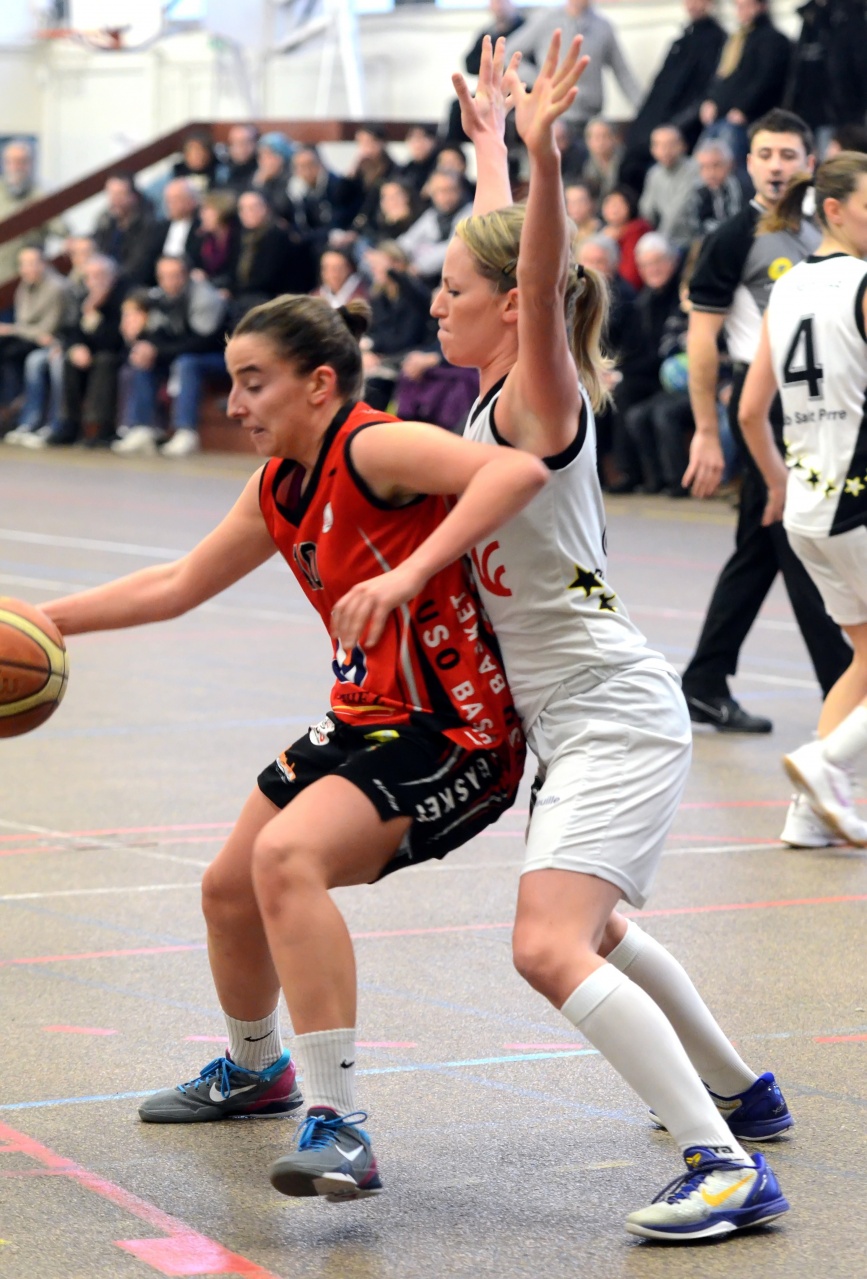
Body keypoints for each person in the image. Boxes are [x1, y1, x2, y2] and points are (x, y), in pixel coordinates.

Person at [43, 295, 546, 1200]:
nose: (234, 403)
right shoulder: (279, 481)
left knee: (286, 859)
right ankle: (255, 1070)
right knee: (228, 888)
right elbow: (178, 582)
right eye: (233, 383)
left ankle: (340, 1124)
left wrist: (409, 572)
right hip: (364, 717)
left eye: (252, 382)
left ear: (318, 383)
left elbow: (516, 471)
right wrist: (42, 620)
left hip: (454, 728)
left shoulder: (374, 446)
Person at [432, 31, 791, 1241]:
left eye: (451, 290)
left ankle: (725, 1165)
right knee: (599, 928)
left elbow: (530, 275)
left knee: (547, 945)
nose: (435, 301)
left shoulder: (540, 396)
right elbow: (506, 261)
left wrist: (541, 161)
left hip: (613, 714)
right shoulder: (501, 395)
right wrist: (491, 146)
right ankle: (743, 1093)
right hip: (582, 715)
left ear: (509, 309)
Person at [680, 109, 852, 763]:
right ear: (747, 164)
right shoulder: (731, 238)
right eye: (764, 154)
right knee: (799, 542)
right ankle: (843, 694)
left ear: (810, 163)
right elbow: (703, 339)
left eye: (787, 154)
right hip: (768, 407)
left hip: (826, 400)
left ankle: (704, 680)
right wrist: (705, 429)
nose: (776, 166)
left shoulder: (830, 229)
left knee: (762, 544)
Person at [739, 152, 867, 847]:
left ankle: (807, 814)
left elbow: (748, 409)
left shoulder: (785, 288)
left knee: (862, 657)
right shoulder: (861, 283)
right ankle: (827, 763)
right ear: (835, 210)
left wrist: (777, 478)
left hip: (808, 508)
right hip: (857, 498)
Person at [112, 255, 227, 458]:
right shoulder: (158, 298)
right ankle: (142, 428)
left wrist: (159, 351)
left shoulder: (205, 297)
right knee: (142, 358)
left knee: (187, 363)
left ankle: (186, 431)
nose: (169, 282)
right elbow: (156, 335)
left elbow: (202, 342)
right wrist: (145, 345)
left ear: (187, 275)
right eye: (163, 277)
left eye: (175, 275)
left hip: (219, 357)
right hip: (181, 353)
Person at [620, 0, 727, 190]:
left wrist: (674, 126)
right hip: (657, 120)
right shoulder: (681, 41)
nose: (692, 4)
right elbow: (659, 87)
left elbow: (705, 92)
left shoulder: (716, 40)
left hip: (683, 125)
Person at [504, 1, 642, 134]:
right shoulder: (546, 21)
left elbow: (623, 74)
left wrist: (644, 109)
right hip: (555, 116)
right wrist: (540, 81)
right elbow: (509, 54)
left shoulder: (603, 27)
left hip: (591, 118)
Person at [699, 0, 791, 168]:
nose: (741, 11)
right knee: (703, 160)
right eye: (738, 6)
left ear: (761, 7)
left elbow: (766, 79)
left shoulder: (773, 40)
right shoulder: (738, 40)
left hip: (748, 118)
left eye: (746, 6)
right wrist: (711, 100)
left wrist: (744, 108)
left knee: (732, 166)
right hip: (723, 114)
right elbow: (725, 76)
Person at [638, 125, 699, 252]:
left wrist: (660, 240)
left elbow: (678, 210)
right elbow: (646, 209)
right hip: (664, 238)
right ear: (652, 149)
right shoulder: (654, 173)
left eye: (671, 144)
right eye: (660, 145)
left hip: (690, 238)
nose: (665, 150)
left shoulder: (694, 169)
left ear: (682, 145)